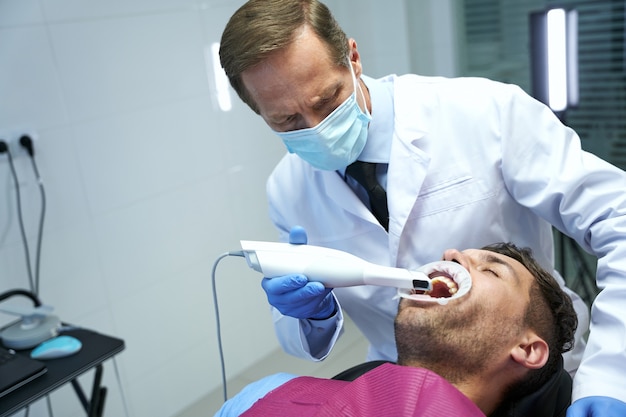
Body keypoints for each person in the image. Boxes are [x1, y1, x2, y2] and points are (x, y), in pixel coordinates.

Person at [218, 0, 626, 415]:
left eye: (327, 101)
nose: (316, 128)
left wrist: (612, 374)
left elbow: (620, 217)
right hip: (405, 391)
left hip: (533, 379)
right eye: (287, 121)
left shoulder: (483, 112)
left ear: (353, 58)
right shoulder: (288, 190)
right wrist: (312, 316)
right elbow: (299, 335)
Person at [215, 243, 578, 416]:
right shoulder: (264, 394)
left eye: (492, 270)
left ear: (528, 349)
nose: (452, 255)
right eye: (456, 256)